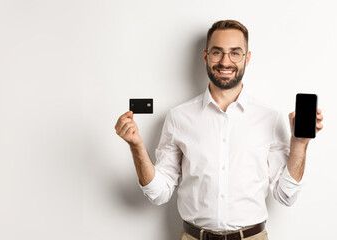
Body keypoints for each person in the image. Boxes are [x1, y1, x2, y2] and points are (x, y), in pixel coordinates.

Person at [114, 20, 324, 240]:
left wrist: (300, 144)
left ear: (247, 58)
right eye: (217, 52)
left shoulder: (269, 118)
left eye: (235, 53)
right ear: (205, 56)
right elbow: (159, 194)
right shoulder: (178, 117)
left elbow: (286, 196)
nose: (225, 61)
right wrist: (136, 146)